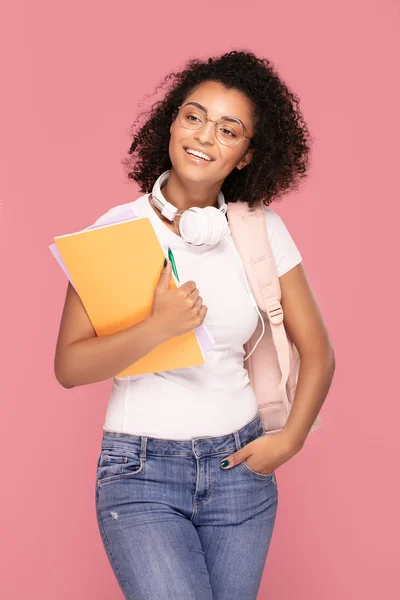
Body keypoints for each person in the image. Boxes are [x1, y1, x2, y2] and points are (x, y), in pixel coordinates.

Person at [54, 50, 335, 600]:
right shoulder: (117, 231)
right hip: (141, 473)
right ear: (172, 122)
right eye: (194, 116)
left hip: (241, 474)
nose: (204, 136)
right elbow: (69, 366)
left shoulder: (260, 229)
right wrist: (160, 326)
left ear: (248, 155)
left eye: (228, 130)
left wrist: (289, 440)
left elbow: (318, 351)